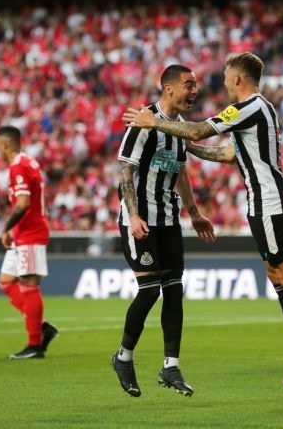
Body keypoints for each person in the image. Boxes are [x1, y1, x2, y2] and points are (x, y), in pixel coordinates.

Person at [123, 52, 283, 386]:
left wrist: (156, 123)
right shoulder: (255, 111)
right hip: (262, 202)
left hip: (271, 200)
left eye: (227, 76)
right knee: (275, 273)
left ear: (237, 78)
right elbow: (226, 153)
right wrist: (179, 141)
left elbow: (199, 132)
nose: (223, 82)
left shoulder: (248, 107)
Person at [112, 64, 216, 398]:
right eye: (189, 84)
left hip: (170, 220)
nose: (194, 90)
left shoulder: (180, 128)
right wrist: (133, 215)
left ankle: (171, 366)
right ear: (169, 88)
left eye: (195, 85)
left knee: (173, 290)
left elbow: (181, 173)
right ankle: (123, 357)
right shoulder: (143, 122)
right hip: (141, 220)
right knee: (149, 290)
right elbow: (125, 171)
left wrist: (195, 213)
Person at [0, 125, 58, 360]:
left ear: (4, 145)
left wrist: (6, 228)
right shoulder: (28, 161)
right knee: (6, 281)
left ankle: (35, 345)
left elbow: (22, 203)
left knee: (29, 285)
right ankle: (41, 327)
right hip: (22, 234)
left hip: (30, 233)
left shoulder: (19, 166)